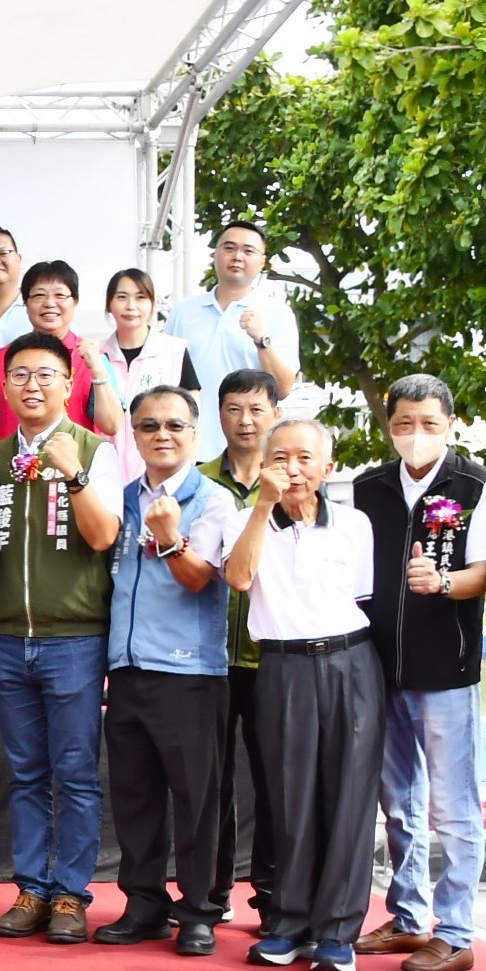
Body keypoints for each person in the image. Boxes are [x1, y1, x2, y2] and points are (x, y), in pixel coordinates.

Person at [351, 374, 486, 971]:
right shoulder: (368, 488)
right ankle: (409, 916)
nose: (416, 435)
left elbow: (482, 575)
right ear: (388, 426)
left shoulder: (476, 485)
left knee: (453, 805)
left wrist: (441, 582)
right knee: (398, 801)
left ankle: (458, 931)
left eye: (429, 424)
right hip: (379, 666)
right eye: (404, 424)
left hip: (445, 668)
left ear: (451, 424)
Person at [0, 331, 124, 946]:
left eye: (45, 375)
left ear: (68, 385)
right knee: (26, 773)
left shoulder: (97, 451)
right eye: (20, 376)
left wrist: (74, 473)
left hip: (75, 638)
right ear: (5, 388)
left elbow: (104, 536)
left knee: (77, 773)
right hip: (10, 636)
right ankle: (32, 889)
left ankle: (70, 894)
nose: (32, 386)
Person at [224, 419, 380, 971]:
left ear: (327, 468)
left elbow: (361, 596)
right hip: (283, 665)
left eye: (305, 458)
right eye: (281, 458)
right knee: (289, 797)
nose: (292, 469)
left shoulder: (355, 524)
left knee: (350, 797)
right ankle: (287, 922)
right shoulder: (245, 519)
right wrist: (263, 507)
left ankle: (337, 932)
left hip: (350, 662)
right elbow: (239, 579)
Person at [97, 387, 240, 956]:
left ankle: (200, 910)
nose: (162, 435)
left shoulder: (214, 500)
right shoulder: (122, 499)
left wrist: (169, 536)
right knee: (135, 796)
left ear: (195, 433)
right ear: (133, 434)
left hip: (189, 672)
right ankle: (144, 905)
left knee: (197, 800)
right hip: (127, 667)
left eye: (175, 425)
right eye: (149, 425)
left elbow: (200, 577)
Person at [201, 368, 283, 925]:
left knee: (274, 777)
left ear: (275, 413)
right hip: (206, 656)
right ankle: (211, 892)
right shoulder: (200, 481)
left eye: (256, 409)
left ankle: (273, 893)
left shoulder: (292, 484)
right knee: (211, 780)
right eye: (234, 409)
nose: (245, 420)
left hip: (270, 655)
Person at [165, 222, 301, 459]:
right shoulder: (183, 312)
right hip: (190, 450)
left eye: (248, 251)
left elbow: (283, 388)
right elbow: (165, 380)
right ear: (215, 254)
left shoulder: (277, 313)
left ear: (262, 261)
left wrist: (262, 339)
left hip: (251, 453)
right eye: (229, 248)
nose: (237, 256)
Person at [0, 260, 124, 446]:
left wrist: (98, 371)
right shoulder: (1, 359)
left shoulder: (93, 358)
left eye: (60, 295)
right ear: (26, 304)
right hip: (10, 463)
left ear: (75, 301)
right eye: (39, 295)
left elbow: (111, 425)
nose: (50, 303)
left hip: (73, 462)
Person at [93, 268, 199, 482]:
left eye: (140, 297)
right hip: (104, 475)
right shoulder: (96, 355)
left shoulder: (174, 351)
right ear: (109, 304)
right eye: (122, 297)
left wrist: (185, 476)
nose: (131, 306)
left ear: (152, 304)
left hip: (161, 475)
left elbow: (194, 420)